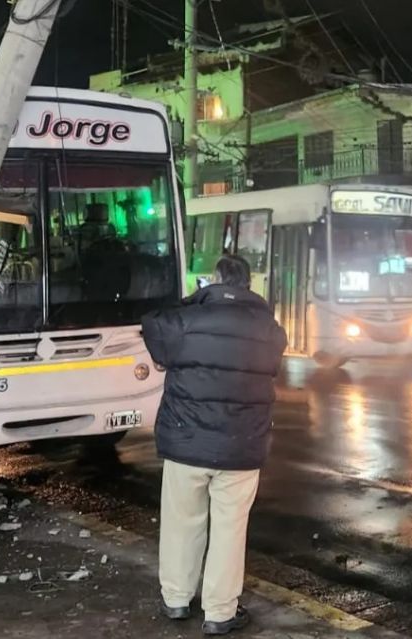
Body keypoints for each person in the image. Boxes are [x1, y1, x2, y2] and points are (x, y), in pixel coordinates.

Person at [141, 255, 287, 635]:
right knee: (230, 528)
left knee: (181, 521)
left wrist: (195, 299)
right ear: (249, 284)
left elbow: (152, 323)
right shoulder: (268, 328)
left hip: (186, 440)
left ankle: (176, 598)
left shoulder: (185, 322)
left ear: (213, 281)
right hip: (242, 446)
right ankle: (220, 613)